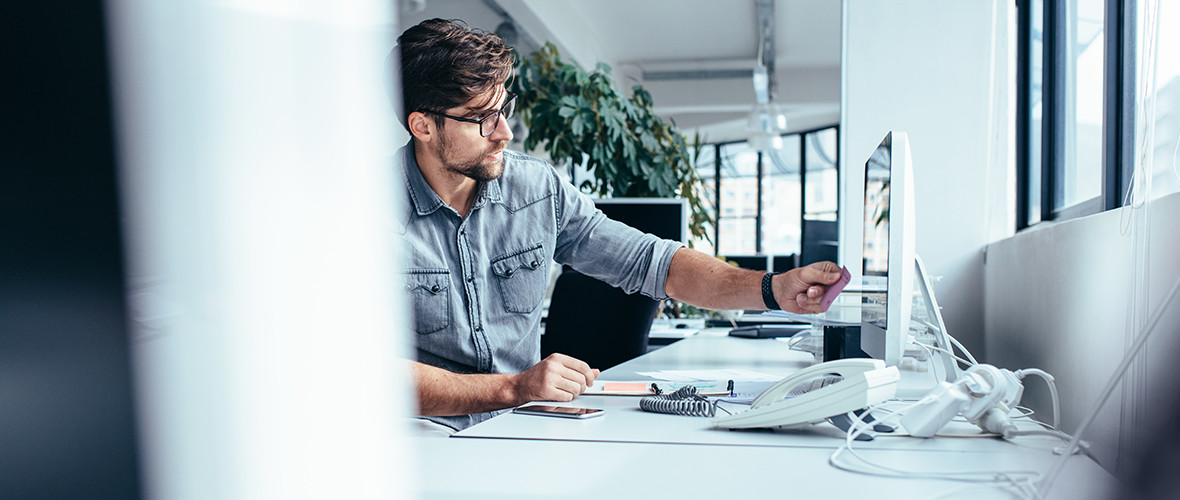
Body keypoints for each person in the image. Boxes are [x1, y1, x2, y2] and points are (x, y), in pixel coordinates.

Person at [394, 18, 843, 432]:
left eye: (504, 108)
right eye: (481, 118)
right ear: (423, 126)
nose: (505, 132)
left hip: (521, 429)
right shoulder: (359, 216)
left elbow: (652, 262)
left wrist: (774, 289)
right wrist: (512, 389)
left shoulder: (536, 190)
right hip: (422, 439)